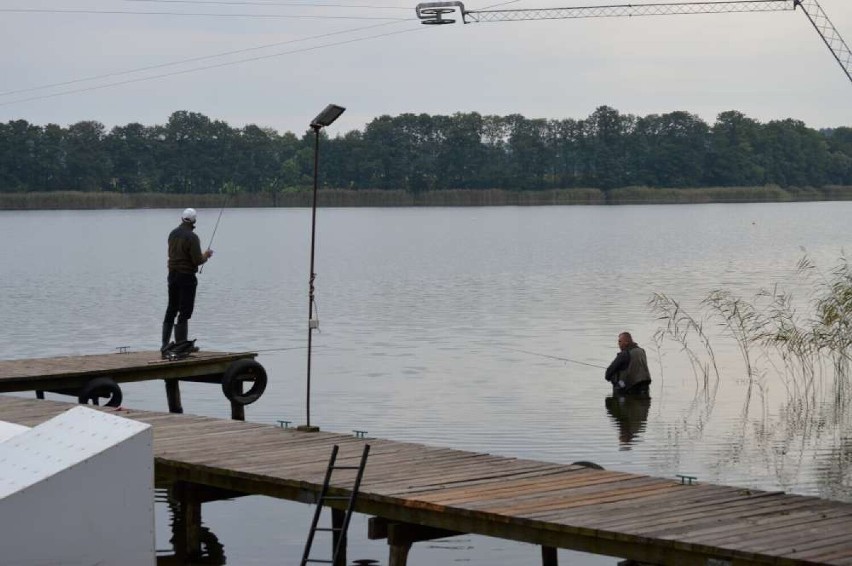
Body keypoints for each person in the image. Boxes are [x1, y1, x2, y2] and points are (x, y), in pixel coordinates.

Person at [161, 208, 213, 355]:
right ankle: (181, 346)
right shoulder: (192, 237)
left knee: (171, 308)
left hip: (172, 275)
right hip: (186, 278)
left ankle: (164, 345)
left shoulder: (172, 234)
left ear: (182, 218)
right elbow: (197, 260)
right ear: (194, 221)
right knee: (184, 312)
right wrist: (206, 255)